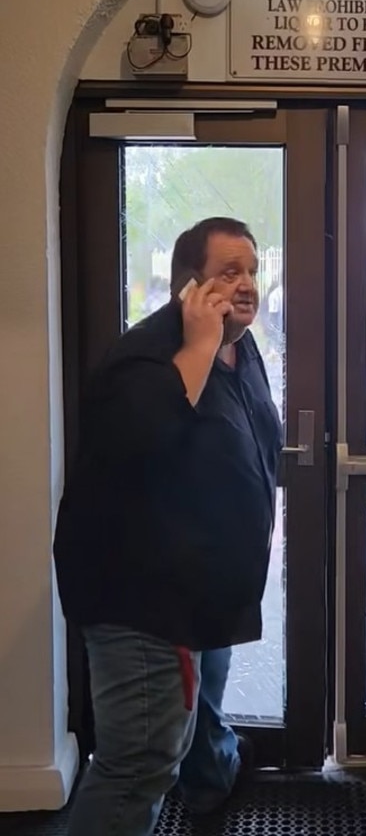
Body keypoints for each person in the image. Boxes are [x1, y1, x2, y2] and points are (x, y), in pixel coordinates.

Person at [54, 217, 283, 836]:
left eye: (253, 270)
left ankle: (211, 778)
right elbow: (143, 441)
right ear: (188, 286)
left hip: (201, 592)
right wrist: (202, 344)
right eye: (228, 272)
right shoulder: (146, 358)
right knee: (139, 762)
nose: (246, 285)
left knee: (195, 714)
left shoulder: (243, 346)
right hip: (142, 601)